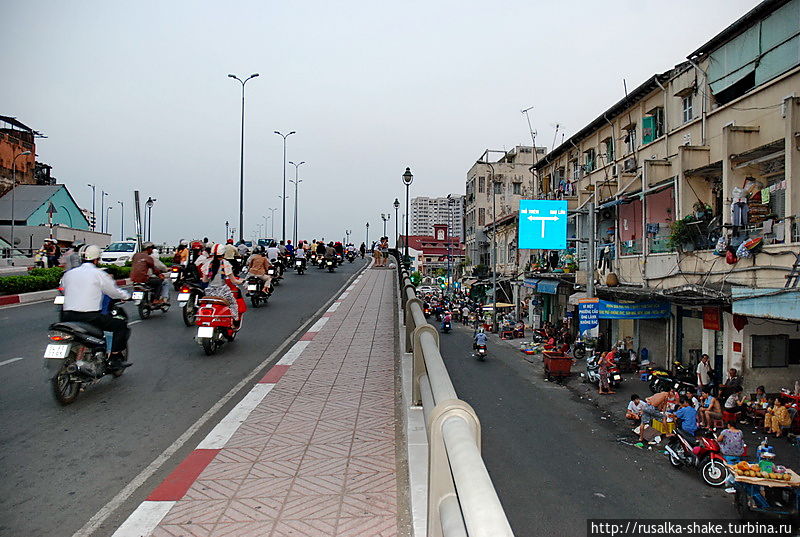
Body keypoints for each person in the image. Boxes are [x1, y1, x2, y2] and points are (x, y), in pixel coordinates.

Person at [61, 245, 131, 368]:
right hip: (90, 316)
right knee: (120, 326)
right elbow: (113, 292)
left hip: (66, 315)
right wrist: (126, 296)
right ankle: (114, 358)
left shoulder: (68, 274)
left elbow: (64, 289)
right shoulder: (99, 274)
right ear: (96, 259)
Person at [198, 243, 245, 321]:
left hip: (209, 292)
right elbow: (233, 281)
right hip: (223, 292)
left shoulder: (207, 264)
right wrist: (242, 281)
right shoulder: (225, 264)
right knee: (233, 304)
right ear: (223, 253)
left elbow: (204, 281)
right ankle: (234, 321)